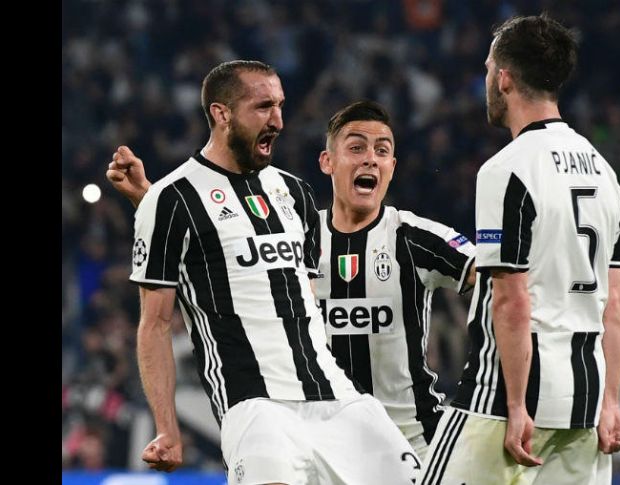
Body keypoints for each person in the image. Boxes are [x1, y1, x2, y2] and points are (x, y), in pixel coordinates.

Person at [110, 100, 620, 466]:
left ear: (392, 168)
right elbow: (219, 238)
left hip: (408, 440)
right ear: (327, 163)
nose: (371, 158)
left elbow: (503, 277)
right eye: (356, 147)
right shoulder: (294, 233)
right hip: (309, 426)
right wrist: (150, 197)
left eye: (382, 150)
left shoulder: (415, 237)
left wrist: (590, 282)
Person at [119, 60, 418, 485]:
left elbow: (307, 300)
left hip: (335, 395)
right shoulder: (172, 199)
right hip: (255, 404)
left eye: (279, 106)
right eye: (263, 107)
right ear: (221, 114)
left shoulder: (295, 192)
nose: (277, 120)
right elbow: (156, 324)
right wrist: (168, 428)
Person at [419, 14, 620, 485]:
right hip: (586, 402)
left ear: (504, 78)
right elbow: (614, 305)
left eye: (486, 69)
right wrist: (612, 401)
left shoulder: (508, 170)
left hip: (507, 400)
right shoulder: (606, 174)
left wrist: (516, 404)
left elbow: (512, 298)